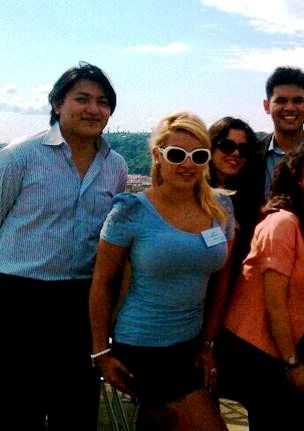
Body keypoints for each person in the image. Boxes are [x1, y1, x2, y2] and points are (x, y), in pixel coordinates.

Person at [0, 62, 127, 430]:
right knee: (17, 406)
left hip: (81, 302)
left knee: (75, 408)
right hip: (19, 299)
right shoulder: (20, 156)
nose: (93, 109)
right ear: (57, 104)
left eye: (102, 102)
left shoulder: (116, 166)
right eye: (82, 99)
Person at [89, 111, 233, 430]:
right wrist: (100, 352)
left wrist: (208, 343)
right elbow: (102, 283)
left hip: (190, 342)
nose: (188, 164)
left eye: (199, 156)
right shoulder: (130, 210)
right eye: (177, 155)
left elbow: (221, 280)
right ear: (157, 155)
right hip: (143, 343)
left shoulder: (221, 208)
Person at [216, 134, 304, 431]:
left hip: (284, 349)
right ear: (298, 177)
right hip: (253, 351)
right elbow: (274, 302)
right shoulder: (282, 224)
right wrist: (291, 362)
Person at [208, 116, 260, 285]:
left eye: (244, 149)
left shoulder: (251, 201)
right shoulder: (192, 194)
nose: (236, 153)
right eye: (227, 146)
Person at [253, 66, 304, 202]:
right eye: (281, 101)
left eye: (297, 101)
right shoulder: (251, 156)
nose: (290, 108)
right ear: (267, 106)